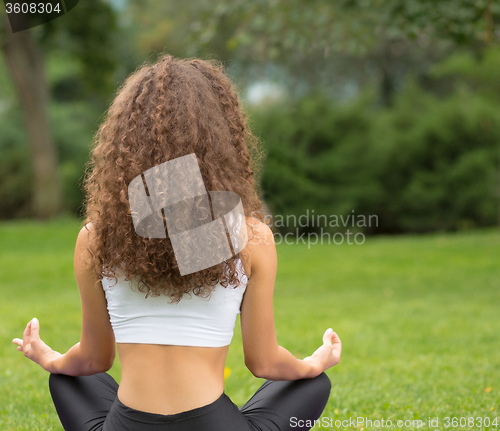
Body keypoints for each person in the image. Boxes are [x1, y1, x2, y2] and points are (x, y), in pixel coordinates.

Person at [12, 54, 342, 431]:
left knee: (70, 376)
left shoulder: (95, 238)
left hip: (126, 426)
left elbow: (92, 361)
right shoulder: (251, 237)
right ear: (221, 140)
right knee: (312, 384)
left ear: (125, 145)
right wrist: (315, 364)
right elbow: (265, 364)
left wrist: (50, 359)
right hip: (214, 424)